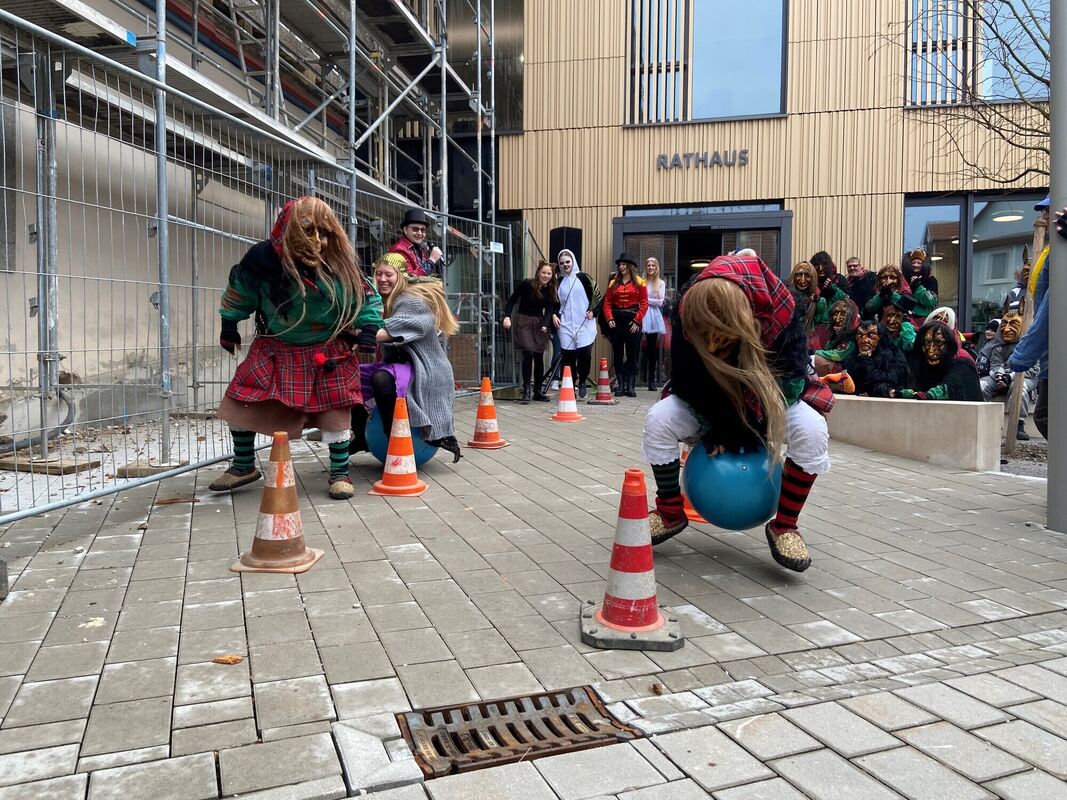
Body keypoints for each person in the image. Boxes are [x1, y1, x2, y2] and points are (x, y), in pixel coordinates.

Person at [642, 254, 833, 575]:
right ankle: (670, 510)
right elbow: (688, 381)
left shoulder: (782, 312)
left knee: (812, 429)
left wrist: (747, 430)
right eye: (705, 335)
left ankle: (785, 525)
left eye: (720, 335)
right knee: (659, 419)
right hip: (711, 405)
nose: (711, 347)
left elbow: (791, 381)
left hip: (769, 401)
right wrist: (718, 428)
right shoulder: (686, 309)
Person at [210, 196, 378, 500]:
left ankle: (340, 473)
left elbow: (364, 297)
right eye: (308, 230)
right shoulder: (260, 262)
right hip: (276, 347)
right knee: (241, 401)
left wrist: (368, 328)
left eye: (324, 232)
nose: (318, 241)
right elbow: (240, 291)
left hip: (328, 350)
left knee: (336, 411)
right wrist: (229, 324)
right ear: (287, 230)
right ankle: (243, 465)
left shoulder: (340, 265)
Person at [373, 254, 463, 461]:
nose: (382, 279)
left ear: (401, 276)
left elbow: (392, 331)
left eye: (388, 274)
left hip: (426, 369)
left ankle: (394, 438)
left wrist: (362, 333)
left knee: (381, 379)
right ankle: (360, 436)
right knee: (356, 379)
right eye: (378, 274)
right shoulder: (384, 301)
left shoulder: (411, 300)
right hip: (402, 365)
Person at [503, 260, 559, 402]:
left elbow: (550, 309)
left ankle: (537, 391)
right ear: (538, 273)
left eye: (549, 273)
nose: (546, 276)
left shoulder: (550, 289)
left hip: (539, 323)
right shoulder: (527, 284)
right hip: (524, 320)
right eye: (543, 273)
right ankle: (526, 390)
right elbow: (512, 300)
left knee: (539, 356)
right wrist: (507, 316)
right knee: (528, 353)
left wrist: (545, 324)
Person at [980, 309, 1038, 441]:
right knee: (981, 385)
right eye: (1004, 324)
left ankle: (1018, 424)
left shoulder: (1030, 345)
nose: (1006, 329)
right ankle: (984, 422)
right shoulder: (998, 345)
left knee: (1019, 387)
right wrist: (999, 375)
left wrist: (1010, 377)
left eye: (1013, 324)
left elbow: (1033, 369)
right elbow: (995, 363)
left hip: (1025, 376)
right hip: (1001, 375)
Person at [897, 320, 982, 401]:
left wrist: (924, 395)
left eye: (938, 342)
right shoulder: (921, 362)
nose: (931, 349)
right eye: (928, 342)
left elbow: (951, 388)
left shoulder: (961, 360)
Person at [602, 252, 648, 397]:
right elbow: (607, 302)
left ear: (630, 266)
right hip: (616, 321)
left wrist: (637, 320)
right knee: (617, 354)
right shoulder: (613, 282)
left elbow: (644, 303)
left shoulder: (640, 282)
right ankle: (621, 385)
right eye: (620, 265)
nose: (621, 267)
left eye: (624, 264)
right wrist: (609, 318)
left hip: (633, 320)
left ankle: (631, 386)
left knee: (632, 355)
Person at [555, 249, 600, 399]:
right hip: (566, 325)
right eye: (562, 263)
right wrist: (554, 315)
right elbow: (554, 303)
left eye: (567, 262)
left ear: (573, 261)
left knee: (584, 354)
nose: (565, 265)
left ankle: (582, 382)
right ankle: (571, 386)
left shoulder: (584, 278)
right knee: (568, 358)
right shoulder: (559, 282)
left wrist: (593, 312)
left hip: (585, 324)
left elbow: (597, 298)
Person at [850, 321, 910, 398]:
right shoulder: (852, 357)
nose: (864, 340)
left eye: (870, 335)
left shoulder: (893, 356)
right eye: (860, 335)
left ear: (880, 337)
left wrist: (866, 361)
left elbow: (893, 379)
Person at [389, 208, 442, 278]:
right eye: (415, 229)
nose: (420, 233)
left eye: (423, 230)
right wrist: (432, 260)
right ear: (405, 230)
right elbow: (410, 278)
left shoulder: (420, 248)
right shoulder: (399, 250)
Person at [813, 299, 860, 374]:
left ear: (851, 316)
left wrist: (815, 353)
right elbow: (828, 349)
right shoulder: (834, 332)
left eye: (843, 314)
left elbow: (839, 355)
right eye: (835, 313)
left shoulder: (856, 333)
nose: (838, 319)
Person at [642, 256, 667, 391]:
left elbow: (660, 302)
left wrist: (645, 300)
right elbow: (640, 300)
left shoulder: (661, 283)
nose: (650, 268)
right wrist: (651, 300)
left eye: (653, 265)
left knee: (652, 349)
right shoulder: (642, 282)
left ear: (656, 268)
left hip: (653, 317)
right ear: (645, 267)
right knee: (639, 348)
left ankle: (651, 380)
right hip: (641, 314)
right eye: (648, 265)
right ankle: (634, 379)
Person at [901, 248, 939, 324]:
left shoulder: (931, 280)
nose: (916, 265)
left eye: (919, 263)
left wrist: (918, 287)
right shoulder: (903, 279)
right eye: (913, 263)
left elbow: (931, 301)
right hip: (904, 318)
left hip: (923, 320)